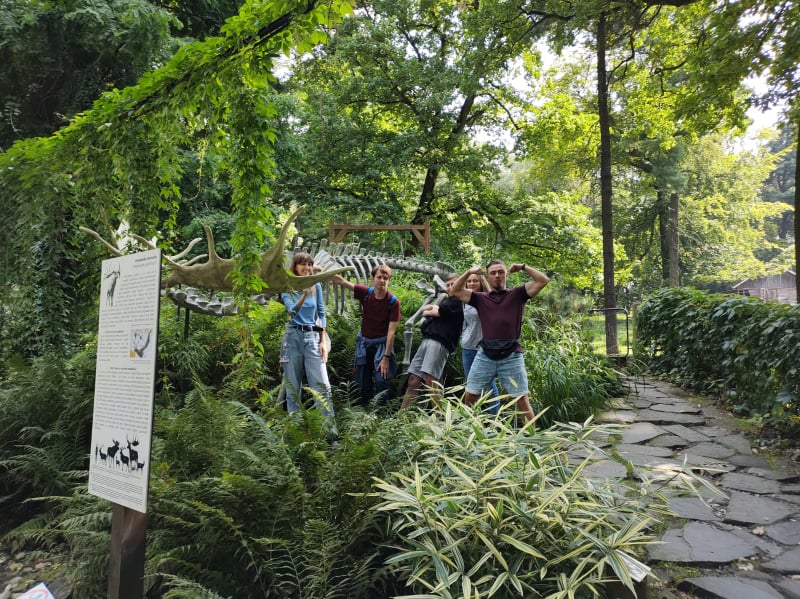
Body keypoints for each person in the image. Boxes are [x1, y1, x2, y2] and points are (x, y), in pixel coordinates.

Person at [451, 260, 550, 424]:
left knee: (521, 399)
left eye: (501, 272)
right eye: (493, 273)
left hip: (511, 355)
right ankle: (464, 439)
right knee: (470, 396)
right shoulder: (480, 298)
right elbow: (455, 290)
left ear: (506, 274)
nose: (497, 275)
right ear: (488, 278)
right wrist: (469, 272)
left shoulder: (517, 294)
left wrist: (524, 267)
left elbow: (543, 280)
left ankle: (532, 442)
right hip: (485, 355)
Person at [280, 252, 336, 433]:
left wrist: (322, 342)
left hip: (313, 337)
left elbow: (321, 313)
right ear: (295, 267)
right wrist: (304, 294)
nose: (308, 268)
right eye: (303, 264)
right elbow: (291, 313)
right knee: (292, 387)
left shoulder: (316, 285)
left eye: (310, 264)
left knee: (322, 386)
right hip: (292, 338)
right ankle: (295, 432)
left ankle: (329, 433)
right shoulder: (287, 287)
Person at [331, 264, 401, 407]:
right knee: (362, 381)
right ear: (372, 278)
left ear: (389, 280)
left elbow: (391, 331)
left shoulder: (393, 302)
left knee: (382, 379)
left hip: (382, 346)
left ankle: (379, 414)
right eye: (379, 277)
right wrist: (319, 271)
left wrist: (386, 357)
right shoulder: (366, 293)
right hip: (364, 343)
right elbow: (342, 281)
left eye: (385, 278)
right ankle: (363, 412)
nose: (382, 280)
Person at [401, 274, 464, 409]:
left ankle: (439, 419)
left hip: (439, 343)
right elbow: (426, 312)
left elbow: (433, 312)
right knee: (413, 380)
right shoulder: (448, 301)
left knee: (431, 381)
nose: (450, 287)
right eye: (448, 285)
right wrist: (432, 310)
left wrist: (433, 310)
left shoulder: (458, 302)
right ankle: (400, 418)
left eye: (453, 284)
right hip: (427, 340)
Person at [460, 272, 500, 414]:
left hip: (483, 349)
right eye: (469, 281)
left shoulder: (487, 300)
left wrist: (482, 276)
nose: (471, 283)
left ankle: (494, 422)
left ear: (481, 282)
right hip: (467, 348)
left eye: (475, 281)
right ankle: (473, 422)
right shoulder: (464, 301)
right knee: (471, 386)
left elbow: (495, 300)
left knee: (489, 387)